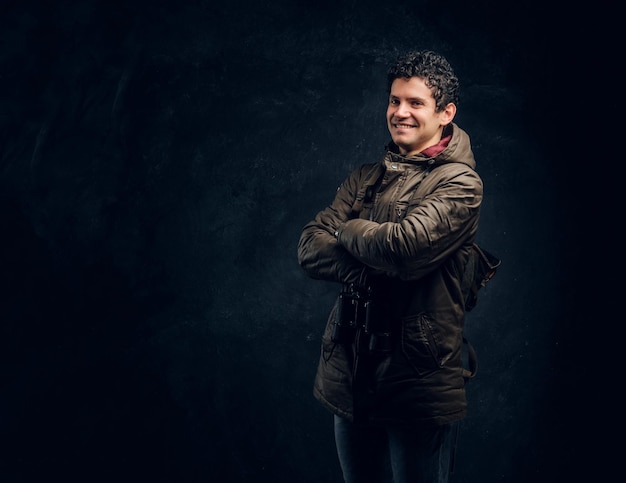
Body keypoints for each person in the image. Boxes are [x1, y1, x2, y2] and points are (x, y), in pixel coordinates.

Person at [297, 50, 483, 483]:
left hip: (417, 380)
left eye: (415, 103)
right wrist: (370, 265)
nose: (400, 112)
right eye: (394, 101)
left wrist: (347, 231)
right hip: (350, 370)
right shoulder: (365, 177)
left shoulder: (460, 183)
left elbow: (403, 249)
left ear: (445, 113)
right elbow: (308, 246)